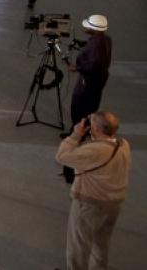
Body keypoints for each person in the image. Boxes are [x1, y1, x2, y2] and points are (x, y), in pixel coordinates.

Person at [55, 110, 131, 270]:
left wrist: (75, 135)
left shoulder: (95, 151)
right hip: (114, 204)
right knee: (101, 244)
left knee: (79, 247)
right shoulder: (123, 144)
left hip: (90, 205)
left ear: (96, 129)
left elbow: (62, 156)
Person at [62, 15, 113, 182]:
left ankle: (77, 138)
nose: (85, 28)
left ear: (93, 29)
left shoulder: (96, 46)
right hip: (95, 85)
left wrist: (77, 67)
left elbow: (95, 64)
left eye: (88, 26)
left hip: (88, 85)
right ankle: (77, 131)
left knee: (79, 112)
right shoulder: (105, 40)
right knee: (87, 110)